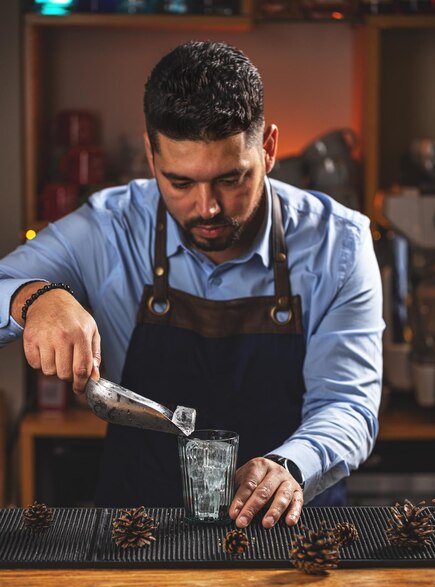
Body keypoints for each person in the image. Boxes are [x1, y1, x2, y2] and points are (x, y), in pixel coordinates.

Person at [0, 41, 383, 529]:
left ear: (267, 148)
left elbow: (348, 403)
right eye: (180, 183)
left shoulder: (339, 244)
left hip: (287, 533)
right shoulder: (108, 227)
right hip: (138, 533)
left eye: (230, 179)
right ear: (151, 155)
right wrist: (31, 297)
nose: (207, 208)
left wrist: (291, 466)